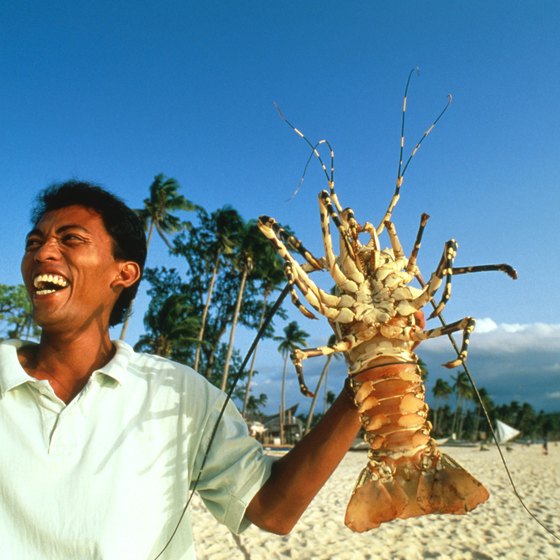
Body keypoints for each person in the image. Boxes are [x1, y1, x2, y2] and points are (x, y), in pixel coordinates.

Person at [0, 181, 362, 559]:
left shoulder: (179, 393)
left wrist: (363, 383)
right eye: (33, 243)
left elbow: (272, 511)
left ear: (124, 274)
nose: (43, 253)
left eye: (70, 239)